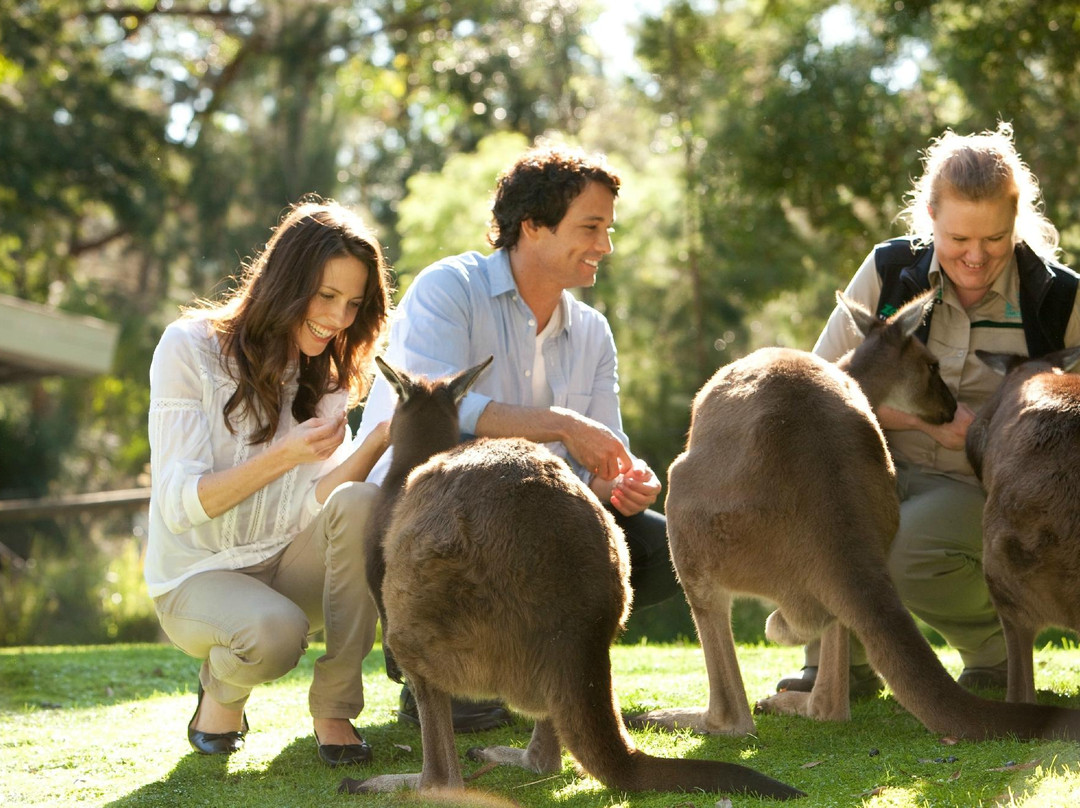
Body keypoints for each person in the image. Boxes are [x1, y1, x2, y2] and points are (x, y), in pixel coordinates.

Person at [353, 143, 682, 730]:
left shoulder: (592, 332)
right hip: (432, 521)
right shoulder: (448, 289)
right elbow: (443, 415)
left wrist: (624, 481)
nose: (605, 245)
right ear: (532, 226)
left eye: (608, 228)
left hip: (529, 519)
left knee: (668, 551)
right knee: (464, 709)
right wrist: (560, 424)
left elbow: (600, 455)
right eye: (590, 227)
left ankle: (534, 666)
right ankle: (428, 670)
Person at [776, 122, 1080, 697]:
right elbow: (820, 383)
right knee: (825, 506)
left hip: (987, 492)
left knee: (905, 549)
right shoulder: (891, 271)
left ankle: (993, 646)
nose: (974, 257)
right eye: (957, 238)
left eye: (994, 240)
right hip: (879, 466)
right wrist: (924, 423)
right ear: (930, 216)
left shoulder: (1056, 297)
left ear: (1016, 224)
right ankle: (843, 667)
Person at [146, 198, 394, 766]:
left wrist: (380, 438)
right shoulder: (189, 348)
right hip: (196, 576)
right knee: (276, 634)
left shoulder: (328, 375)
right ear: (285, 281)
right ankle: (222, 687)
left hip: (283, 562)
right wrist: (283, 454)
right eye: (326, 296)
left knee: (365, 503)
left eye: (353, 304)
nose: (337, 318)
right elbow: (182, 505)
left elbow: (319, 505)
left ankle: (334, 709)